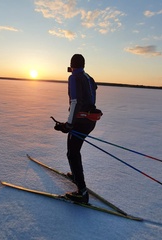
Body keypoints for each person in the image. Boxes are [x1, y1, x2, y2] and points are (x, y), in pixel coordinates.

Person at [54, 54, 102, 204]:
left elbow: (75, 102)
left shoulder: (74, 78)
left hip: (80, 122)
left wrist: (68, 125)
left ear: (72, 65)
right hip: (90, 121)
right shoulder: (89, 77)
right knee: (75, 151)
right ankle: (76, 176)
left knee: (72, 153)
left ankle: (82, 192)